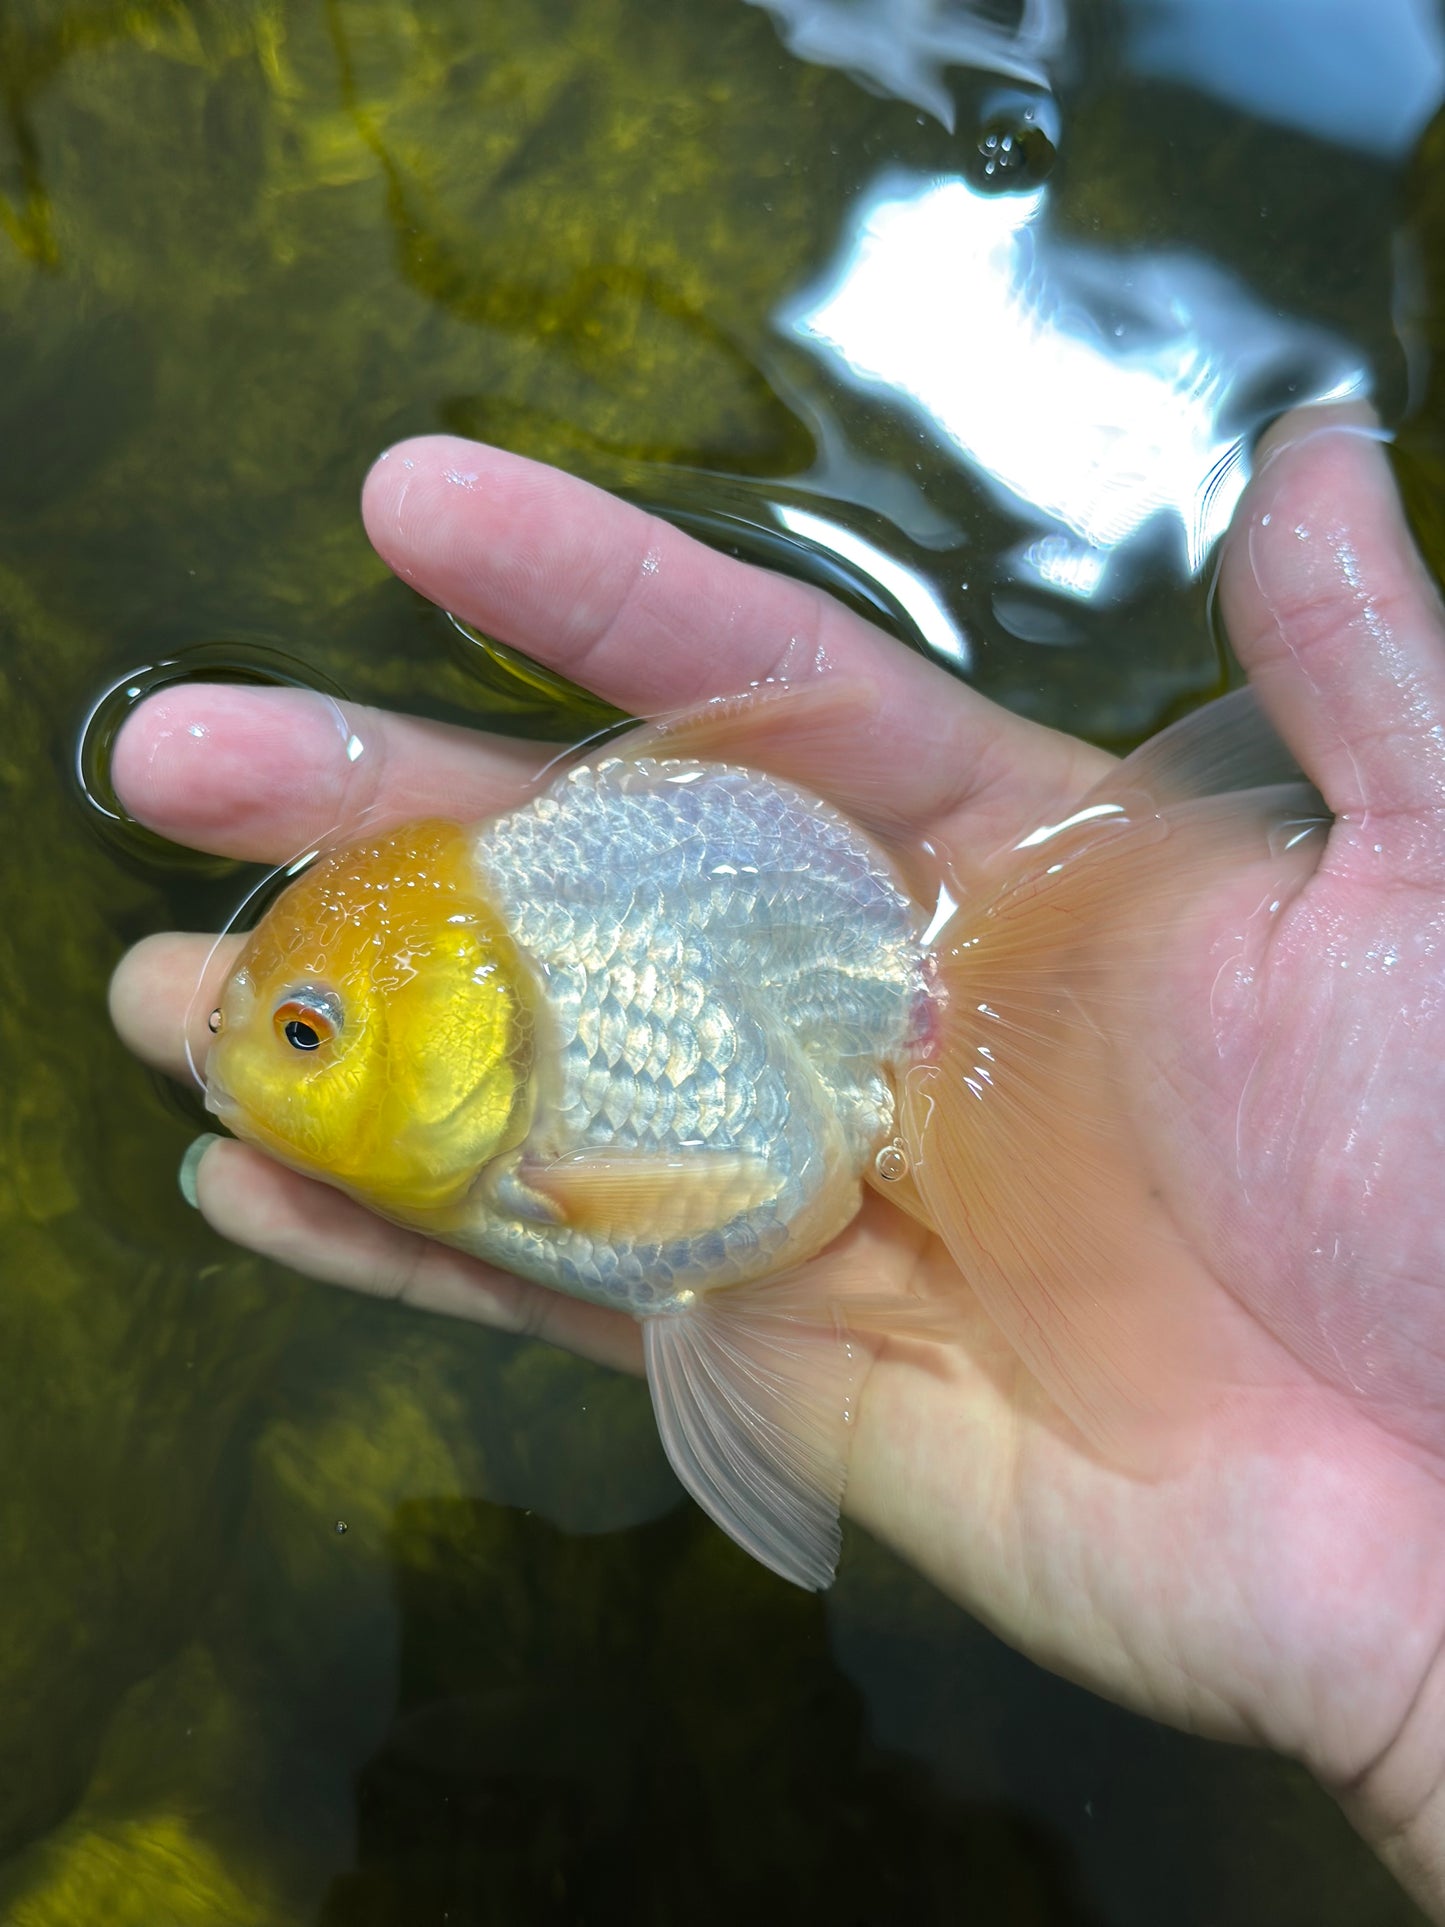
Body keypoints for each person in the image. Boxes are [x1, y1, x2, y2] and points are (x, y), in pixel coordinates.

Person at [109, 402, 1445, 1920]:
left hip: (837, 1016)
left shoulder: (551, 1095)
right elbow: (699, 1242)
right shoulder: (496, 1055)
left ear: (459, 1039)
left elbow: (693, 1217)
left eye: (304, 1032)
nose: (258, 1059)